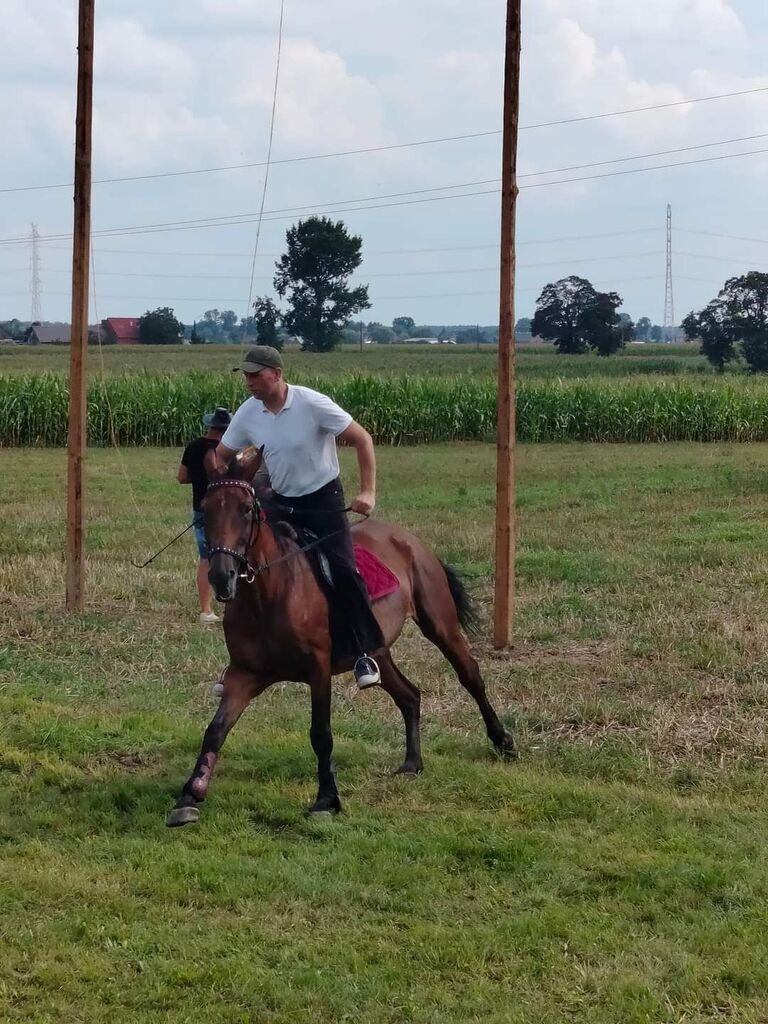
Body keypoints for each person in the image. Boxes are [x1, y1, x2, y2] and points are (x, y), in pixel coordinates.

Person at [213, 346, 384, 688]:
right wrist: (229, 481)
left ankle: (365, 652)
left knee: (343, 571)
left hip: (322, 501)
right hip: (280, 501)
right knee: (248, 563)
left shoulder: (312, 404)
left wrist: (368, 492)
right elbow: (221, 456)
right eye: (245, 376)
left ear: (276, 374)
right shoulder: (248, 413)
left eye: (255, 375)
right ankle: (244, 658)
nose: (248, 382)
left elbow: (362, 439)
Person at [178, 407, 232, 624]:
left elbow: (182, 477)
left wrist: (199, 478)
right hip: (225, 511)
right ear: (227, 429)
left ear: (210, 426)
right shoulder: (227, 450)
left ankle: (205, 609)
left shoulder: (194, 446)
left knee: (205, 559)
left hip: (200, 509)